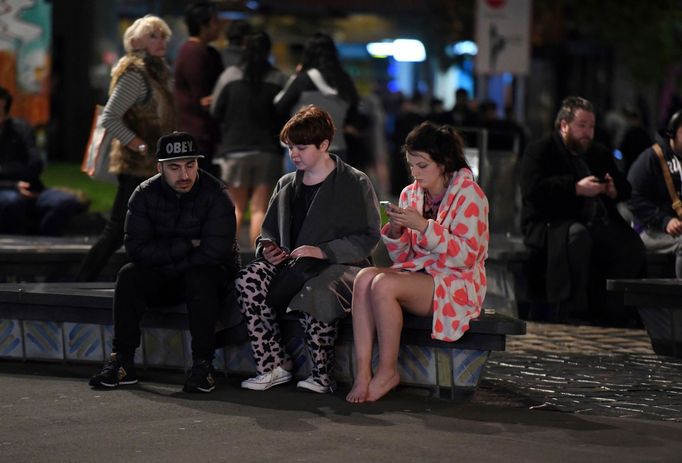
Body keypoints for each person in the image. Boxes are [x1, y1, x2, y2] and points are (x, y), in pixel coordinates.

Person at [235, 105, 381, 394]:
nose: (294, 154)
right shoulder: (287, 183)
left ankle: (322, 374)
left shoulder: (354, 181)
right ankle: (272, 363)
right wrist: (267, 249)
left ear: (324, 145)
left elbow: (368, 236)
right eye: (291, 147)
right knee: (247, 279)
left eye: (301, 147)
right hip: (293, 264)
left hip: (343, 266)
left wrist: (323, 251)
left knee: (318, 289)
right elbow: (268, 233)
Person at [346, 121, 489, 403]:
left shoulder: (470, 196)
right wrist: (397, 232)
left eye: (422, 165)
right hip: (420, 276)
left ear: (444, 162)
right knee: (364, 279)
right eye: (412, 165)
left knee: (384, 285)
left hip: (457, 283)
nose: (415, 173)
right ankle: (363, 373)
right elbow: (403, 259)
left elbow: (466, 257)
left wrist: (424, 227)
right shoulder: (411, 194)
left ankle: (387, 371)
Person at [89, 131, 239, 393]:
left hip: (210, 279)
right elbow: (136, 249)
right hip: (167, 276)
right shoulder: (144, 194)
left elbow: (216, 251)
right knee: (129, 275)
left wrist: (168, 260)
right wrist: (184, 245)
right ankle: (122, 362)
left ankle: (203, 365)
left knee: (200, 276)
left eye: (190, 165)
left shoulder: (216, 194)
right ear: (160, 168)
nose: (184, 175)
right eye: (174, 167)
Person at [520, 96, 646, 325]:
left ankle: (613, 312)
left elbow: (624, 187)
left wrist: (612, 189)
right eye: (582, 126)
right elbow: (533, 192)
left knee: (630, 244)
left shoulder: (597, 153)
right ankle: (572, 310)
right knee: (578, 237)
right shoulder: (540, 151)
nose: (588, 132)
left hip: (596, 221)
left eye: (591, 126)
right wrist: (576, 188)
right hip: (553, 223)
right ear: (564, 125)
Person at [76, 15, 176, 281]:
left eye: (163, 35)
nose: (161, 40)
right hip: (137, 166)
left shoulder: (158, 73)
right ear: (135, 42)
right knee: (118, 229)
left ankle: (149, 284)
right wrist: (138, 145)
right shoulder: (135, 75)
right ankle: (79, 282)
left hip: (154, 165)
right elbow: (109, 117)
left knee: (150, 228)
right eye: (153, 35)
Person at [210, 31, 286, 246]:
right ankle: (256, 264)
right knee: (260, 209)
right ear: (268, 51)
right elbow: (285, 113)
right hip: (268, 151)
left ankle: (225, 258)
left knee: (236, 208)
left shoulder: (230, 75)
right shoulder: (278, 78)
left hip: (234, 149)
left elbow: (216, 111)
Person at [0, 86, 86, 235]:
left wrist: (8, 171)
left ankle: (41, 235)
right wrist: (14, 185)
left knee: (66, 202)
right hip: (6, 190)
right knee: (12, 201)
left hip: (32, 188)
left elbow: (36, 163)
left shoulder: (20, 129)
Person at [274, 32, 359, 163]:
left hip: (302, 150)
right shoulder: (344, 81)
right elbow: (354, 111)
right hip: (337, 148)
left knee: (297, 183)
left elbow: (279, 106)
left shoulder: (302, 80)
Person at [628, 110, 682, 277]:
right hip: (648, 230)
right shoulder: (651, 158)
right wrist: (664, 220)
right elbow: (633, 197)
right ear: (672, 133)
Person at [173, 2, 223, 174]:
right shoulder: (193, 53)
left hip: (205, 136)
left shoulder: (210, 53)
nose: (219, 26)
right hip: (194, 137)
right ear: (204, 25)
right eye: (215, 21)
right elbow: (201, 99)